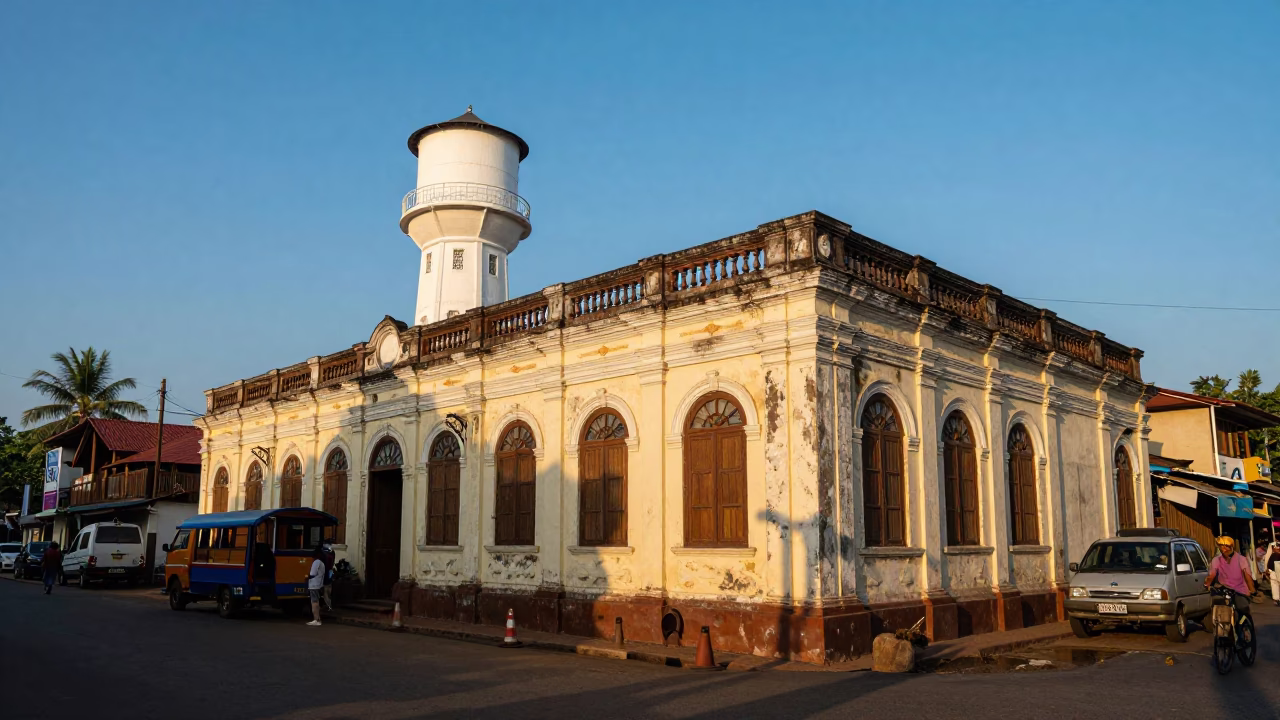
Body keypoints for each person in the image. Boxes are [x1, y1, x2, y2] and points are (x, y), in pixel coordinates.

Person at [1204, 535, 1256, 618]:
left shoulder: (1241, 559)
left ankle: (1243, 625)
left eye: (1226, 546)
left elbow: (1247, 576)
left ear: (1231, 547)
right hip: (1224, 590)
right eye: (1222, 546)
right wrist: (1207, 585)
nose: (1224, 549)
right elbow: (1212, 575)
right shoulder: (1216, 560)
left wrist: (1252, 590)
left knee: (1242, 609)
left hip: (1240, 590)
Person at [305, 546, 325, 627]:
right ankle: (318, 618)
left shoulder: (316, 562)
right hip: (319, 584)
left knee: (314, 602)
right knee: (316, 601)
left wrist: (307, 576)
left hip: (314, 585)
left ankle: (316, 619)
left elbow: (312, 573)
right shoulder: (322, 563)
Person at [1262, 539, 1280, 606]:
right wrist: (1268, 570)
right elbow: (1269, 563)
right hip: (1273, 572)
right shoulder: (1273, 555)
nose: (1277, 548)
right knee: (1274, 585)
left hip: (1275, 572)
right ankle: (1276, 599)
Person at [320, 539, 336, 611]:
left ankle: (328, 605)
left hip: (326, 573)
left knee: (326, 590)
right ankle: (328, 605)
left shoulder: (325, 552)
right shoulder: (331, 552)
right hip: (328, 573)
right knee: (327, 590)